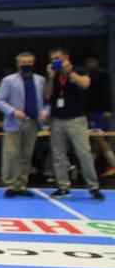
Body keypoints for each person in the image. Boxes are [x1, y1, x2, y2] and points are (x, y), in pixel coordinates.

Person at [45, 47, 104, 200]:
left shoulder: (80, 70)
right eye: (52, 59)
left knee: (84, 153)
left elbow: (85, 84)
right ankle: (63, 186)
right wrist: (51, 77)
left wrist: (69, 72)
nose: (54, 61)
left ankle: (94, 186)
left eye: (57, 58)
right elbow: (47, 95)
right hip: (57, 118)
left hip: (76, 119)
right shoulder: (54, 74)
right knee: (58, 155)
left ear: (66, 58)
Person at [0, 53, 48, 197]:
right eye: (24, 62)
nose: (27, 64)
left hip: (33, 122)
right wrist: (13, 111)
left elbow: (46, 100)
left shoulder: (40, 80)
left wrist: (45, 112)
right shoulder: (8, 80)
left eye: (30, 61)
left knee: (26, 155)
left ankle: (21, 184)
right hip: (14, 122)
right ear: (18, 64)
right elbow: (0, 101)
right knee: (11, 154)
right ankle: (10, 184)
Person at [81, 54, 115, 177]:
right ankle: (91, 169)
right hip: (87, 111)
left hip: (100, 111)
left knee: (99, 137)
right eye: (87, 61)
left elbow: (107, 92)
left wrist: (107, 110)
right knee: (94, 141)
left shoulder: (103, 74)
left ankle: (113, 163)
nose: (89, 63)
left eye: (92, 61)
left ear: (96, 61)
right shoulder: (84, 74)